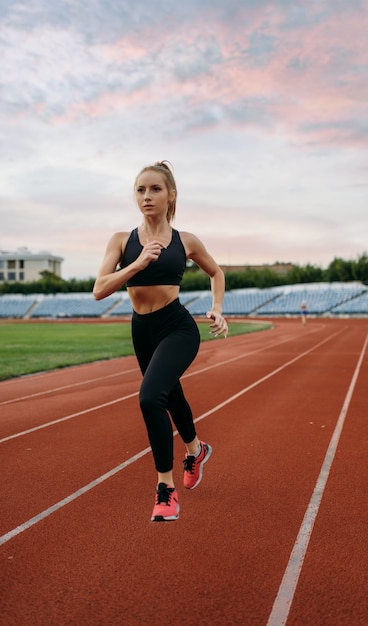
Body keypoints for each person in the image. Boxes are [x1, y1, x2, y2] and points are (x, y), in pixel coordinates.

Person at [93, 161, 228, 522]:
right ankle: (196, 451)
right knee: (171, 395)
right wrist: (135, 265)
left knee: (151, 396)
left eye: (155, 189)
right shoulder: (122, 241)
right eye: (140, 190)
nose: (147, 196)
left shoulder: (186, 241)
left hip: (178, 327)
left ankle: (165, 490)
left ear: (171, 195)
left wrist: (217, 308)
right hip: (142, 330)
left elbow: (216, 272)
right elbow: (99, 290)